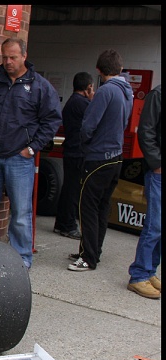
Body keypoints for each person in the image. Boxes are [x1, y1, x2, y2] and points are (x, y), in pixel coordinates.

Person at [0, 38, 62, 269]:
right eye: (4, 57)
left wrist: (32, 149)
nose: (8, 62)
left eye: (13, 57)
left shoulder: (39, 86)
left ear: (24, 56)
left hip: (19, 159)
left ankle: (22, 260)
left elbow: (52, 121)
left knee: (21, 212)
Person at [68, 50, 133, 272]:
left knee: (87, 208)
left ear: (99, 70)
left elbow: (88, 125)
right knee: (102, 208)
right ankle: (95, 251)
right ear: (120, 68)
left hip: (98, 158)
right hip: (116, 157)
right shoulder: (127, 92)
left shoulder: (106, 92)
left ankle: (88, 257)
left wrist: (86, 145)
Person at [127, 84, 161, 298]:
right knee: (154, 225)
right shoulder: (157, 95)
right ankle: (138, 276)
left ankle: (150, 271)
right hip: (158, 173)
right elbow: (146, 130)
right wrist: (157, 163)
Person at [53, 72, 94, 240]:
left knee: (68, 188)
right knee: (73, 190)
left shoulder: (72, 102)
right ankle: (68, 225)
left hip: (71, 150)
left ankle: (61, 222)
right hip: (78, 152)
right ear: (88, 87)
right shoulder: (82, 104)